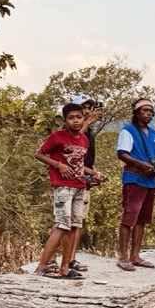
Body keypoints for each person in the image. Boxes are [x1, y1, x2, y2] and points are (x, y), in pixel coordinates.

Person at [33, 104, 100, 279]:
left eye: (78, 117)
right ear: (65, 120)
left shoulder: (84, 140)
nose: (75, 121)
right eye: (71, 118)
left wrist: (92, 175)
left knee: (73, 226)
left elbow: (79, 164)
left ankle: (65, 267)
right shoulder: (57, 137)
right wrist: (58, 165)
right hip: (63, 186)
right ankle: (42, 266)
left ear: (83, 118)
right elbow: (39, 154)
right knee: (61, 226)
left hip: (79, 186)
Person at [116, 97, 155, 271]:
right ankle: (123, 256)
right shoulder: (128, 130)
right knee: (129, 217)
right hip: (134, 178)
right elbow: (122, 154)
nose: (148, 114)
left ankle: (135, 255)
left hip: (149, 180)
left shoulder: (154, 134)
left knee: (142, 219)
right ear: (137, 113)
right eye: (145, 111)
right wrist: (142, 164)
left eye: (151, 111)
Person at [67, 94, 106, 269]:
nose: (88, 111)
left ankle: (71, 258)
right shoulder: (69, 130)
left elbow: (85, 159)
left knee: (78, 222)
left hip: (83, 181)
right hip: (68, 182)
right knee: (63, 222)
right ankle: (56, 259)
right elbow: (70, 148)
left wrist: (93, 174)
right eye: (84, 107)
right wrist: (87, 123)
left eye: (90, 107)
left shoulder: (89, 133)